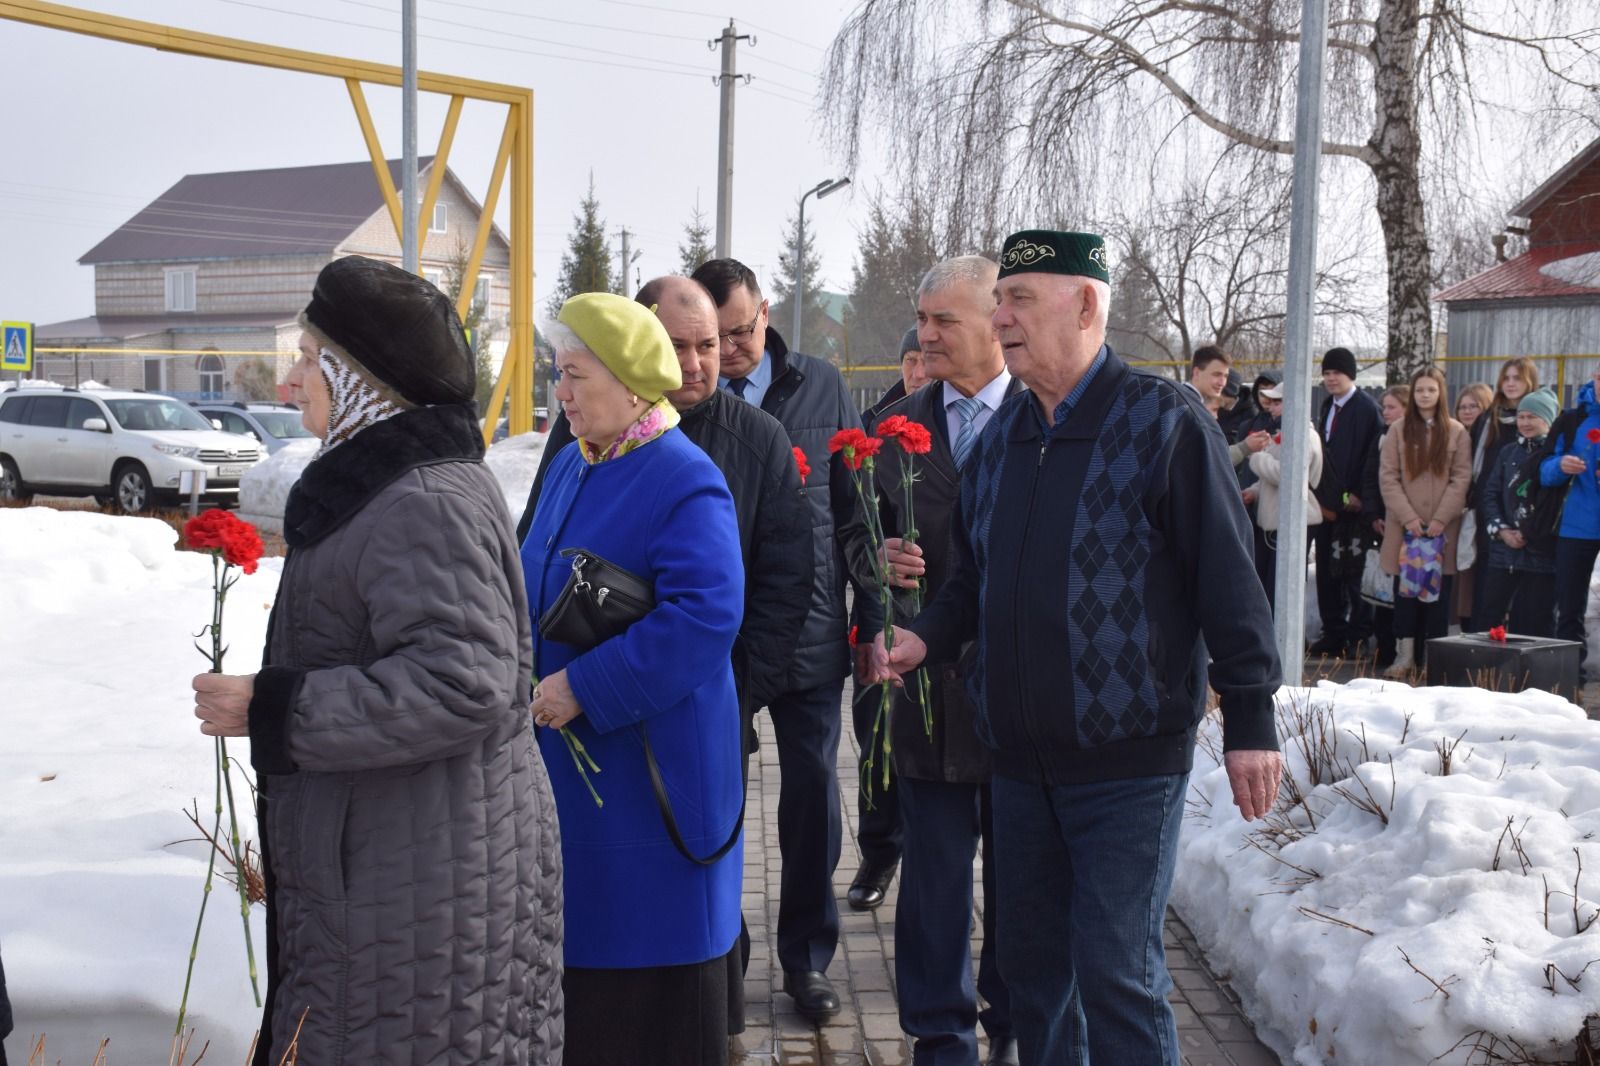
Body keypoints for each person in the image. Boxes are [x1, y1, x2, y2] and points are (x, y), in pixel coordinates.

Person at [872, 230, 1283, 1064]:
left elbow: (1231, 585)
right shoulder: (1006, 435)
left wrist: (1251, 720)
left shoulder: (1163, 422)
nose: (1002, 317)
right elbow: (972, 580)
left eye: (1019, 299)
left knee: (1118, 975)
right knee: (1034, 975)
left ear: (1086, 305)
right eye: (999, 302)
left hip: (1128, 765)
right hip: (1019, 764)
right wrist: (926, 635)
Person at [190, 256, 562, 1064]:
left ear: (361, 379)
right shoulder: (390, 487)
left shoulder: (419, 501)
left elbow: (466, 681)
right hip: (399, 865)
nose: (291, 382)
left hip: (419, 886)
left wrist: (273, 707)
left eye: (308, 360)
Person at [524, 292, 745, 1063]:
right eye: (559, 375)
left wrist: (586, 685)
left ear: (626, 381)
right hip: (578, 773)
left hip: (650, 777)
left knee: (647, 981)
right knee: (587, 969)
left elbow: (705, 617)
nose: (563, 393)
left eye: (574, 375)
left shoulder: (682, 478)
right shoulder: (572, 465)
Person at [689, 257, 880, 1019]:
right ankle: (720, 960)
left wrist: (871, 615)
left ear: (765, 313)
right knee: (716, 805)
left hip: (807, 639)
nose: (732, 349)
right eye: (718, 335)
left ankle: (806, 959)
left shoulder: (822, 387)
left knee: (810, 806)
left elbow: (856, 510)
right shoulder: (684, 400)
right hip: (714, 647)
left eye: (743, 331)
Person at [874, 255, 1021, 1066]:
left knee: (1016, 868)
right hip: (925, 687)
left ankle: (1010, 1018)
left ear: (996, 321)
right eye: (921, 320)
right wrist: (876, 562)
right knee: (932, 875)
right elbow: (845, 536)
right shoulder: (895, 426)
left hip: (1015, 687)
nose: (925, 336)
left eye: (944, 322)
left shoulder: (1040, 420)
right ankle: (939, 1030)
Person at [846, 323, 926, 913]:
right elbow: (850, 534)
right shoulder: (873, 434)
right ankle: (879, 853)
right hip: (886, 614)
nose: (920, 371)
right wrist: (873, 563)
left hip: (945, 623)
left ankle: (933, 862)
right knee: (879, 737)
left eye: (927, 358)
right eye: (911, 360)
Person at [1378, 366, 1471, 678]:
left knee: (1438, 599)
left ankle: (1433, 658)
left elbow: (1461, 479)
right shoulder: (1398, 430)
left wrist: (1441, 518)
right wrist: (1410, 518)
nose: (1425, 395)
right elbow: (1388, 478)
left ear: (1440, 392)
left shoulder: (1457, 431)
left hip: (1441, 532)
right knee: (1405, 596)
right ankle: (1404, 657)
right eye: (1420, 390)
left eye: (1431, 390)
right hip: (1406, 531)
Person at [1309, 346, 1383, 658]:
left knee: (1354, 571)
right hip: (1327, 504)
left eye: (1336, 372)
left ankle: (1358, 635)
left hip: (1353, 506)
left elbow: (1369, 456)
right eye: (1326, 373)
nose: (1330, 378)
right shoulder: (1328, 406)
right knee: (1327, 570)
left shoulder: (1365, 409)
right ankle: (1333, 632)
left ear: (1350, 374)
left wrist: (1359, 498)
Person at [1478, 388, 1560, 636]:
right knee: (1490, 618)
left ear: (1548, 420)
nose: (1525, 423)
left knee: (1534, 622)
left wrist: (1528, 532)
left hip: (1540, 556)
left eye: (1532, 417)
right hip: (1503, 553)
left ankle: (1532, 676)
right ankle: (1487, 672)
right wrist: (1502, 530)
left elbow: (1554, 505)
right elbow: (1490, 494)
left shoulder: (1555, 457)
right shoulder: (1508, 453)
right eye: (1521, 417)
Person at [1469, 359, 1540, 630]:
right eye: (1506, 378)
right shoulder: (1488, 419)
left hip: (1528, 519)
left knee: (1526, 601)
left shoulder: (1540, 421)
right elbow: (1475, 466)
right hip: (1490, 512)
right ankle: (1481, 660)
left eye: (1517, 378)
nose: (1510, 383)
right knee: (1488, 593)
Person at [1542, 365, 1600, 683]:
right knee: (1570, 606)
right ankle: (1568, 678)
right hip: (1576, 525)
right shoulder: (1571, 418)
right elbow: (1544, 469)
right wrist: (1561, 465)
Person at [1244, 381, 1322, 614]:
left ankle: (1283, 644)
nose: (1271, 407)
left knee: (1280, 592)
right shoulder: (1286, 434)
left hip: (1288, 524)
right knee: (1267, 588)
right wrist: (1255, 491)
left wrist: (1256, 457)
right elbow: (1272, 478)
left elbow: (1287, 476)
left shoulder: (1305, 437)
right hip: (1276, 523)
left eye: (1278, 402)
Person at [1360, 385, 1410, 668]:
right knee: (1381, 590)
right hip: (1382, 522)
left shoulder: (1410, 437)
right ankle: (1384, 648)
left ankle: (1401, 648)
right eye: (1384, 408)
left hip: (1406, 521)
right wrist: (1373, 514)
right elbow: (1371, 478)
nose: (1386, 413)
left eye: (1392, 407)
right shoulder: (1381, 436)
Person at [1454, 381, 1495, 630]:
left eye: (1474, 406)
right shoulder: (1455, 437)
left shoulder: (1489, 443)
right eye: (1462, 407)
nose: (1467, 412)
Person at [1185, 345, 1231, 417]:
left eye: (1225, 376)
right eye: (1216, 374)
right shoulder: (1185, 406)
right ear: (1197, 373)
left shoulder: (1191, 403)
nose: (1222, 383)